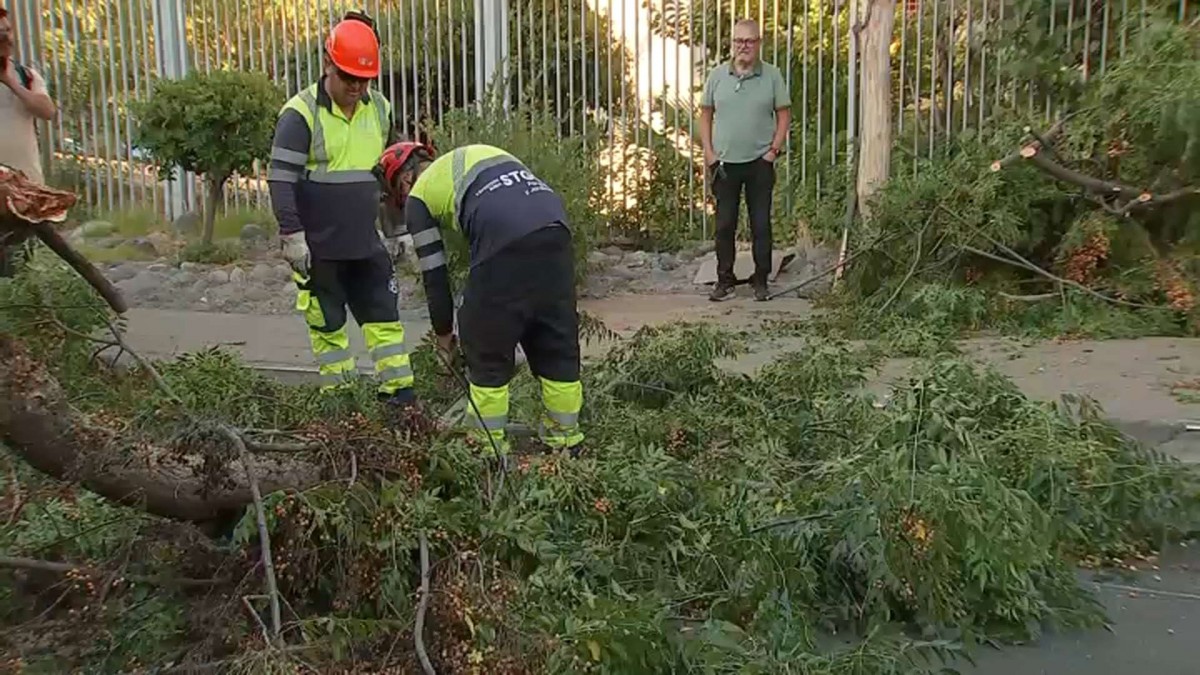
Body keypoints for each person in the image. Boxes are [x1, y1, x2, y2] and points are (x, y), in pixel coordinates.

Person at [374, 142, 585, 460]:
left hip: (503, 239)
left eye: (399, 196)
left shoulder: (419, 197)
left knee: (486, 347)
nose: (403, 203)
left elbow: (435, 276)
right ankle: (566, 445)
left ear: (404, 180)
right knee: (556, 344)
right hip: (555, 231)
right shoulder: (483, 155)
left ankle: (486, 452)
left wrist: (444, 338)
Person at [266, 11, 416, 409]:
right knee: (330, 331)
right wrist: (292, 236)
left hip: (366, 244)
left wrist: (397, 229)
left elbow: (393, 173)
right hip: (318, 250)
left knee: (385, 323)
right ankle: (343, 411)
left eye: (363, 79)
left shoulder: (379, 109)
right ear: (327, 65)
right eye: (348, 77)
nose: (356, 87)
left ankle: (399, 404)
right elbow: (280, 179)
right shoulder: (299, 115)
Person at [699, 18, 791, 303]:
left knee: (760, 223)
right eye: (739, 41)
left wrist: (773, 151)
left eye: (750, 41)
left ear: (759, 43)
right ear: (732, 44)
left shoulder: (772, 76)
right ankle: (724, 280)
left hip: (759, 162)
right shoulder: (717, 76)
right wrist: (710, 154)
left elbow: (784, 114)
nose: (744, 46)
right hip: (724, 164)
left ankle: (761, 280)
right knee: (725, 224)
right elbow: (705, 113)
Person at [0, 4, 57, 277]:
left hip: (24, 192)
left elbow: (47, 111)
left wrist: (12, 83)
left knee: (22, 270)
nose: (5, 37)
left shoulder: (26, 76)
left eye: (7, 31)